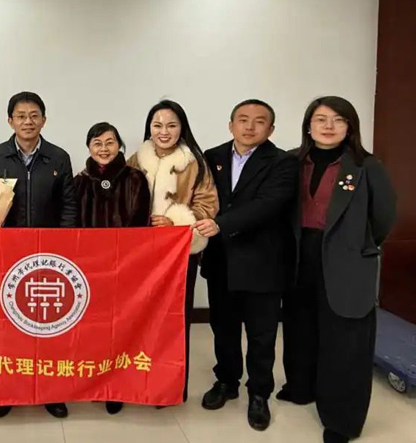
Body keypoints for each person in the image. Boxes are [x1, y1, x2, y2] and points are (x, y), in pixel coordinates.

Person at [276, 97, 396, 443]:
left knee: (345, 341)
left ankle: (342, 420)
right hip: (300, 256)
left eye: (338, 120)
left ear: (350, 126)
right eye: (320, 119)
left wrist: (357, 245)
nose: (328, 126)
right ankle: (301, 388)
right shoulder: (291, 161)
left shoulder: (366, 166)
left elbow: (384, 217)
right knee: (301, 328)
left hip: (346, 259)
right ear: (308, 125)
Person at [195, 99, 298, 431]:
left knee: (261, 334)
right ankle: (226, 381)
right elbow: (202, 198)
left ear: (271, 129)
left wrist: (221, 224)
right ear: (231, 125)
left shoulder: (283, 162)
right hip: (221, 261)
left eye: (259, 121)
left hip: (262, 262)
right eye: (242, 119)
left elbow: (268, 204)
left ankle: (259, 393)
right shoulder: (212, 156)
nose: (249, 126)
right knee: (223, 328)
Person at [0, 91, 78, 419]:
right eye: (21, 116)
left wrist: (62, 247)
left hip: (49, 256)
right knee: (7, 326)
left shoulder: (59, 157)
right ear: (10, 121)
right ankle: (6, 390)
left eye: (34, 115)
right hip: (6, 254)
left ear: (44, 120)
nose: (28, 122)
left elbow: (68, 205)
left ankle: (51, 391)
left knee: (48, 326)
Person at [126, 99, 218, 402]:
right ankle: (134, 380)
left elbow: (208, 204)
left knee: (174, 320)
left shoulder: (194, 162)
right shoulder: (136, 159)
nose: (164, 131)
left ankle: (169, 385)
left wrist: (176, 221)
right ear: (149, 128)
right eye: (157, 125)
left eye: (171, 125)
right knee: (137, 318)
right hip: (139, 254)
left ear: (182, 128)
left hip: (178, 254)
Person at [73, 121, 150, 415]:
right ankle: (91, 380)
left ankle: (116, 385)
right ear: (89, 148)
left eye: (109, 142)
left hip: (124, 267)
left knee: (121, 326)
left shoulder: (135, 179)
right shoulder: (79, 181)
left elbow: (139, 224)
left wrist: (121, 259)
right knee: (92, 328)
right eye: (97, 143)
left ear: (119, 145)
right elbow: (73, 227)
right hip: (88, 269)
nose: (104, 149)